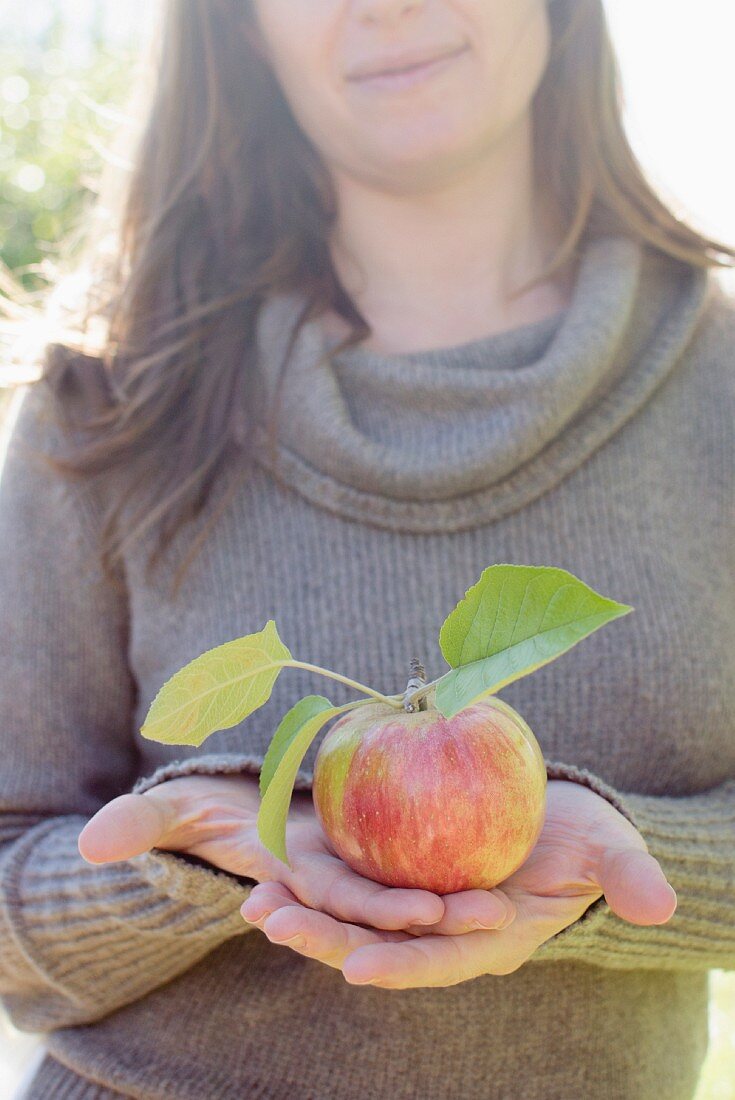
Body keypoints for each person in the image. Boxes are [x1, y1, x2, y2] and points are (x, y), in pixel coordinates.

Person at [0, 1, 733, 1097]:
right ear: (243, 26)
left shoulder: (717, 386)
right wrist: (193, 855)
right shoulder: (108, 403)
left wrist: (619, 861)